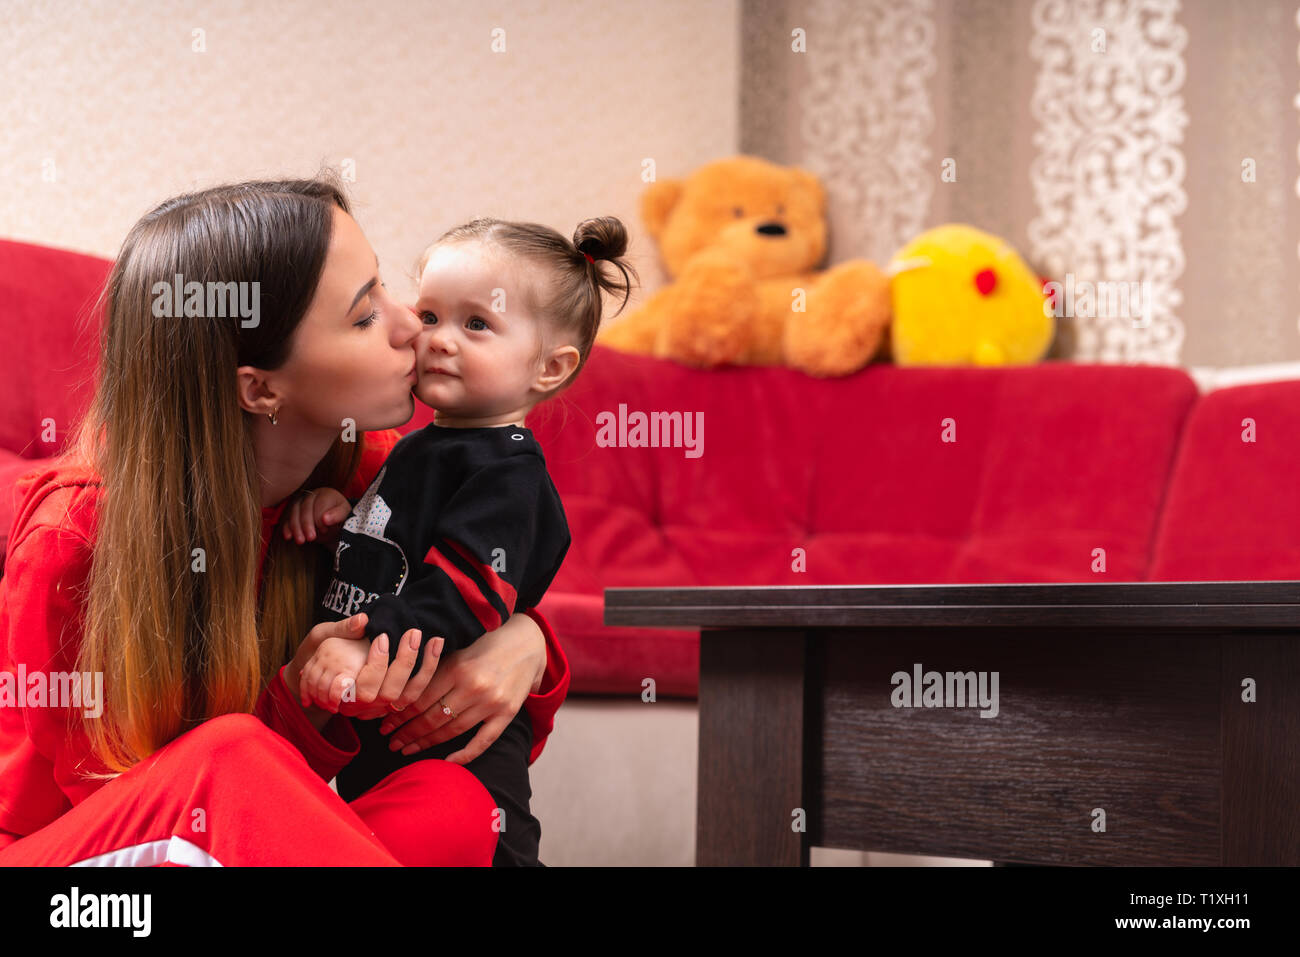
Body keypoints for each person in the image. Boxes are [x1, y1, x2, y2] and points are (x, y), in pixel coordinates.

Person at [0, 176, 570, 866]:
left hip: (238, 837)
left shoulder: (367, 481)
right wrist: (297, 695)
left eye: (385, 288)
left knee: (451, 802)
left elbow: (486, 567)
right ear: (260, 387)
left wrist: (526, 637)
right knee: (230, 755)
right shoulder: (74, 541)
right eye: (364, 317)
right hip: (75, 866)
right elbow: (143, 819)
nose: (408, 326)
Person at [284, 216, 636, 865]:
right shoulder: (422, 449)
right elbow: (395, 549)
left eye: (477, 324)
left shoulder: (507, 472)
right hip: (387, 753)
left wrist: (363, 642)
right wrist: (343, 514)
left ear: (550, 367)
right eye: (431, 315)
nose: (440, 340)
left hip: (463, 768)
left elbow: (465, 591)